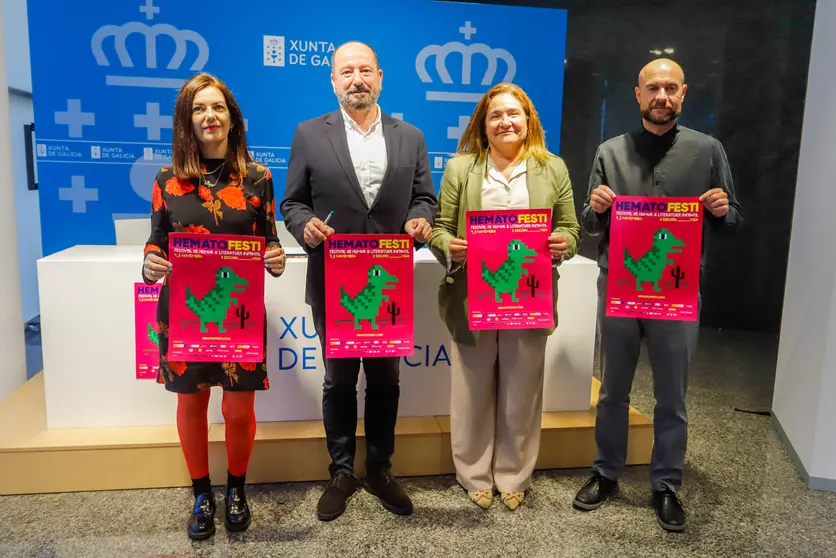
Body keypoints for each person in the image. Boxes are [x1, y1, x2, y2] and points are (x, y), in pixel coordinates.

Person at [573, 59, 742, 531]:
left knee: (673, 396)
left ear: (683, 93)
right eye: (653, 88)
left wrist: (724, 210)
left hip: (677, 290)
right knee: (612, 390)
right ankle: (607, 473)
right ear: (637, 93)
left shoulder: (708, 150)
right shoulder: (610, 151)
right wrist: (596, 208)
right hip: (621, 288)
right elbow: (588, 224)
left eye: (670, 88)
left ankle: (665, 483)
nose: (661, 96)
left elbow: (734, 220)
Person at [280, 41, 437, 521]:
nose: (356, 80)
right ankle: (342, 471)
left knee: (386, 379)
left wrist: (420, 220)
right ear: (333, 80)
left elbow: (425, 199)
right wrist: (303, 225)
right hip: (334, 282)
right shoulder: (309, 134)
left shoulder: (410, 136)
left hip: (388, 285)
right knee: (339, 380)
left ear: (381, 77)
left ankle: (381, 469)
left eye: (365, 70)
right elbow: (291, 203)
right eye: (346, 72)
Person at [142, 73, 286, 540]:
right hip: (184, 313)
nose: (210, 116)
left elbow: (270, 244)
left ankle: (237, 489)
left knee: (239, 410)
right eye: (200, 108)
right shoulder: (167, 181)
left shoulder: (259, 178)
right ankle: (201, 493)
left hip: (239, 316)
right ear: (187, 120)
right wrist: (150, 263)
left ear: (232, 117)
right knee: (192, 402)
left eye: (218, 107)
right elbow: (156, 242)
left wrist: (276, 259)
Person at [428, 83, 580, 510]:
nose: (505, 122)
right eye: (496, 115)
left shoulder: (553, 168)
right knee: (471, 392)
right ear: (483, 124)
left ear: (528, 120)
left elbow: (571, 230)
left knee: (522, 393)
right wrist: (448, 246)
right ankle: (473, 474)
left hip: (528, 299)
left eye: (514, 114)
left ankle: (514, 475)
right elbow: (440, 227)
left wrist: (560, 243)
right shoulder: (461, 168)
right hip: (472, 297)